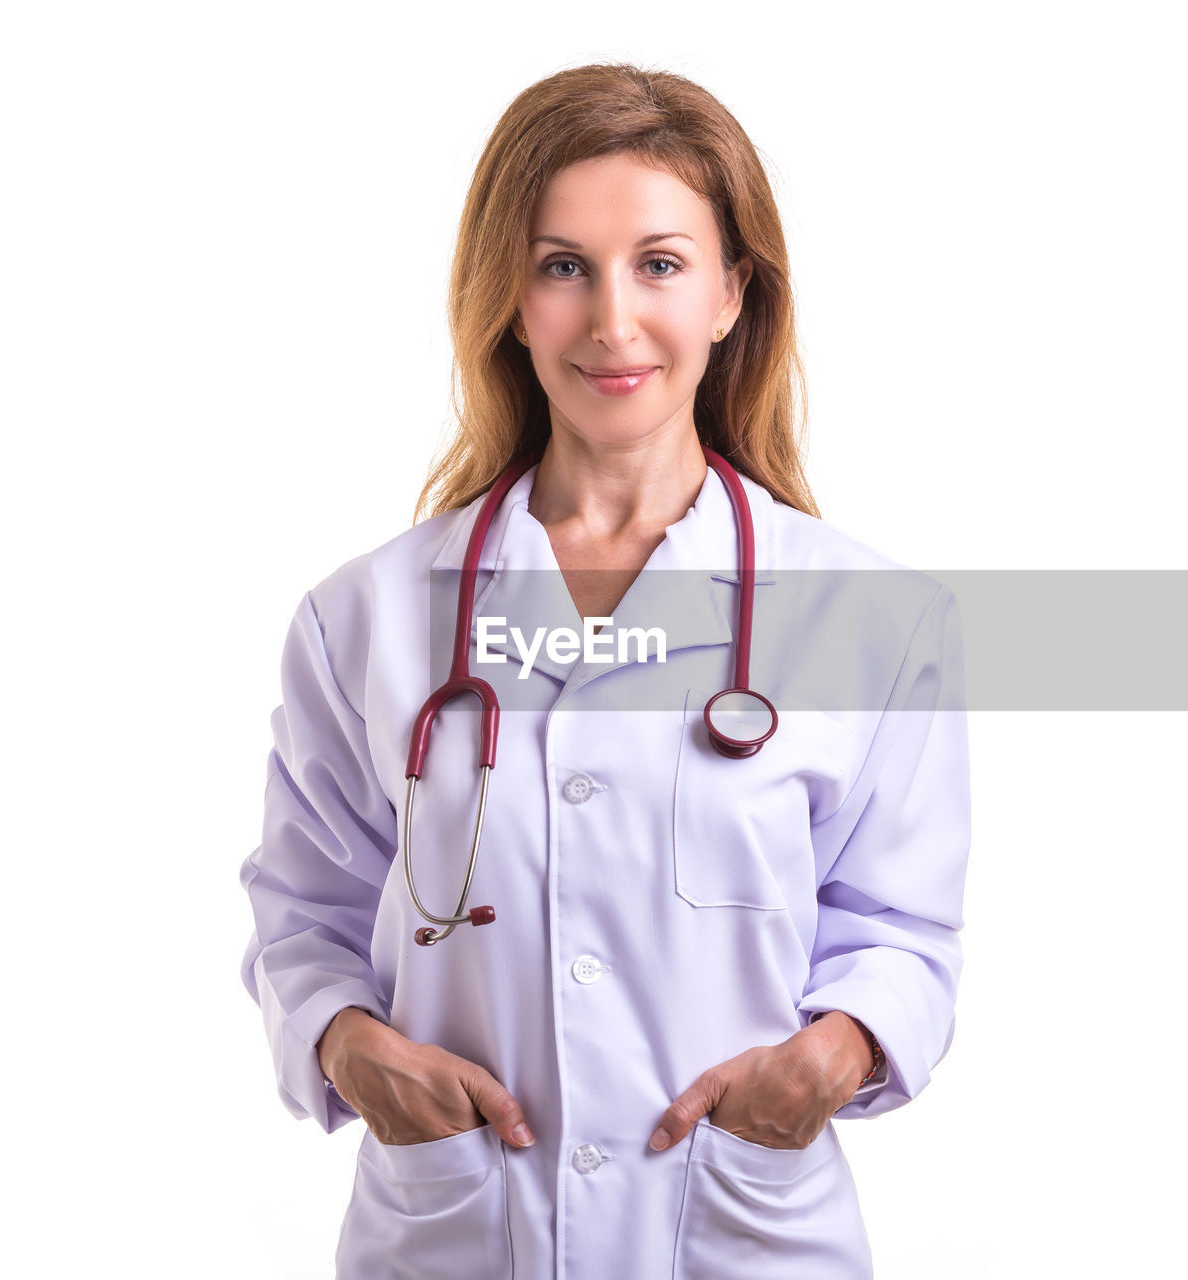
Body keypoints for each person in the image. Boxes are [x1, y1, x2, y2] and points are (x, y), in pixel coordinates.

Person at [239, 62, 971, 1279]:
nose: (612, 320)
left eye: (661, 263)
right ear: (508, 300)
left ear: (733, 293)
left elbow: (900, 927)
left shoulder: (872, 617)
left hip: (742, 1229)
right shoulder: (363, 617)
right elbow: (302, 915)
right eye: (561, 263)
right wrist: (346, 1043)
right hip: (459, 1231)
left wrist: (837, 1049)